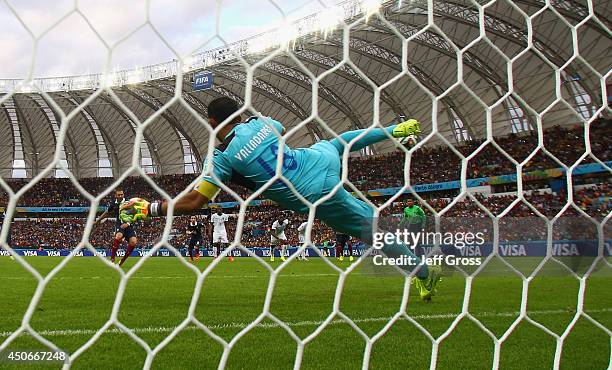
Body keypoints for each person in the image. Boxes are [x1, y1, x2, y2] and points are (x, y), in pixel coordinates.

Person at [120, 97, 441, 300]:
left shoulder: (220, 157)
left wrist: (151, 208)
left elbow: (193, 203)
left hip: (314, 194)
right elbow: (279, 125)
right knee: (338, 142)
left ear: (212, 123)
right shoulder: (261, 123)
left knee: (375, 234)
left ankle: (423, 275)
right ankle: (394, 130)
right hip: (316, 160)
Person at [95, 190, 138, 266]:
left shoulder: (128, 202)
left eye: (122, 194)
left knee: (133, 242)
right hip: (119, 224)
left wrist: (128, 223)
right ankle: (112, 258)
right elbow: (107, 212)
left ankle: (122, 261)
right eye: (119, 195)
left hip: (128, 225)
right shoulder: (113, 203)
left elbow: (135, 213)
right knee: (118, 236)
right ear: (116, 196)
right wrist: (98, 220)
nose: (120, 196)